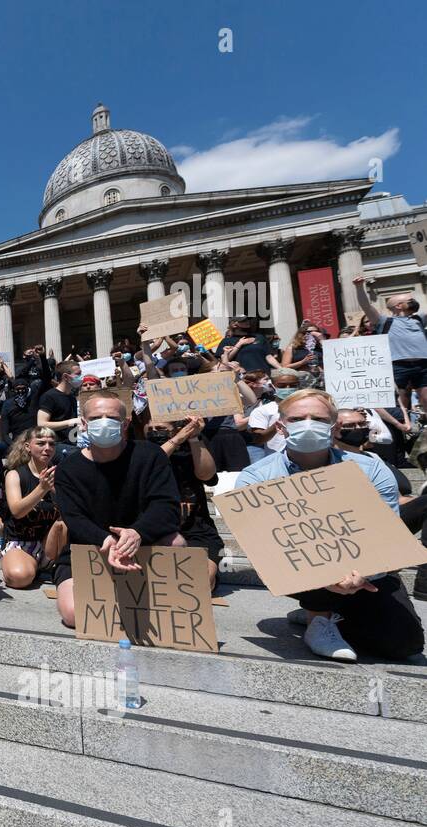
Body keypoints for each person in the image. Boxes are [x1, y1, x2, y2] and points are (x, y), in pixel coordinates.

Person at [236, 389, 422, 662]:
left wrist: (364, 574)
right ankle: (318, 617)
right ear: (280, 427)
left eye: (319, 418)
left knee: (404, 644)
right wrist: (325, 577)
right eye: (298, 418)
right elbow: (266, 549)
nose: (308, 424)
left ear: (334, 427)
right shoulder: (255, 478)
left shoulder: (371, 469)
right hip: (300, 568)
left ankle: (334, 611)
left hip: (364, 569)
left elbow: (385, 534)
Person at [52, 392, 183, 629]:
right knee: (73, 615)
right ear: (83, 423)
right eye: (95, 417)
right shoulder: (67, 469)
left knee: (177, 542)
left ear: (125, 424)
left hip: (142, 542)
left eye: (111, 417)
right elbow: (74, 518)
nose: (103, 422)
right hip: (89, 548)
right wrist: (107, 540)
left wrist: (137, 533)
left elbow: (166, 506)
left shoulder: (150, 456)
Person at [144, 416, 223, 590]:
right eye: (150, 429)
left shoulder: (192, 448)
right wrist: (177, 438)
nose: (155, 432)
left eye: (160, 428)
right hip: (154, 534)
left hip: (196, 532)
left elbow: (207, 475)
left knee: (199, 584)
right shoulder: (139, 453)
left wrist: (194, 437)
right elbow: (149, 465)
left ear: (174, 428)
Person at [0, 427, 66, 589]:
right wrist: (41, 489)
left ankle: (57, 565)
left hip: (51, 544)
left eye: (51, 444)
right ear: (28, 446)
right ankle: (30, 566)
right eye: (41, 443)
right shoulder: (15, 474)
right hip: (21, 543)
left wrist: (57, 493)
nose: (47, 448)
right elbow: (17, 511)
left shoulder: (60, 474)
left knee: (63, 523)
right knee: (18, 578)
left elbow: (72, 513)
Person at [354, 279, 427, 409]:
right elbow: (366, 306)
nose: (414, 303)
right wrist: (359, 287)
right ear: (398, 306)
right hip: (398, 366)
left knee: (426, 398)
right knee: (402, 402)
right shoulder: (384, 321)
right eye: (410, 301)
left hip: (423, 364)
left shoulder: (419, 318)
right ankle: (404, 427)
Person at [38, 360, 81, 454]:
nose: (81, 377)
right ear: (66, 376)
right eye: (78, 374)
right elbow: (41, 424)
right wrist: (70, 422)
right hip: (55, 445)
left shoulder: (71, 397)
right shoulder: (49, 396)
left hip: (72, 443)